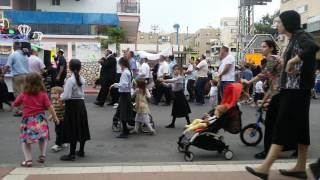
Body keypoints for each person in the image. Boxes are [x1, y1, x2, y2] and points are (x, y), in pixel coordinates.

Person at [246, 10, 320, 180]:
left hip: (296, 90)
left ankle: (265, 168)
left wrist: (293, 60)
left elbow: (312, 47)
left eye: (279, 22)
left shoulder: (301, 36)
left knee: (281, 127)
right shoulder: (293, 38)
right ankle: (300, 167)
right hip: (295, 90)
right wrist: (288, 61)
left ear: (287, 22)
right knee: (302, 130)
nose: (277, 25)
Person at [12, 73, 59, 167]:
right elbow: (50, 107)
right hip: (40, 120)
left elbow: (15, 104)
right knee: (43, 137)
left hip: (28, 121)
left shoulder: (23, 94)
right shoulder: (43, 94)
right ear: (40, 82)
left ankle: (28, 160)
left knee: (26, 141)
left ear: (26, 83)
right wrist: (55, 118)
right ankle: (42, 155)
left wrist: (22, 104)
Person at [60, 59, 91, 161]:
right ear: (80, 67)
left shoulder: (70, 80)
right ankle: (81, 150)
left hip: (72, 106)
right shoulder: (82, 79)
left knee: (72, 128)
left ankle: (72, 154)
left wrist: (60, 96)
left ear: (70, 68)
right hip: (81, 105)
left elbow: (67, 96)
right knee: (82, 127)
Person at [3, 42, 29, 117]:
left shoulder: (13, 55)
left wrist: (2, 74)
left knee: (18, 94)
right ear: (20, 46)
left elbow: (7, 66)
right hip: (26, 76)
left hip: (18, 76)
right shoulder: (25, 55)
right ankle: (25, 109)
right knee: (24, 93)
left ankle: (20, 110)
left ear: (14, 47)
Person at [110, 57, 133, 138]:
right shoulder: (128, 71)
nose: (119, 66)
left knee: (123, 113)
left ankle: (125, 132)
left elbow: (124, 84)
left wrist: (115, 84)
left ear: (122, 64)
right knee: (122, 111)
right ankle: (125, 129)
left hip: (124, 94)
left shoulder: (125, 72)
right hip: (126, 94)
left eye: (119, 64)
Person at [50, 86, 68, 152]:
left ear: (60, 94)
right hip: (57, 119)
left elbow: (64, 108)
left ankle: (58, 144)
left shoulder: (61, 100)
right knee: (58, 131)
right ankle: (63, 142)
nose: (53, 95)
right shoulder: (53, 101)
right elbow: (54, 110)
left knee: (59, 131)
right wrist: (51, 115)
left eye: (55, 93)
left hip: (62, 119)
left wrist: (60, 102)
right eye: (52, 93)